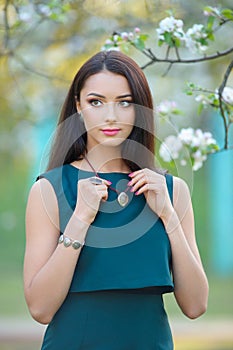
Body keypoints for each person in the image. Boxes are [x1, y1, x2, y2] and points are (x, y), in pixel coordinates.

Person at [24, 50, 209, 350]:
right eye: (96, 102)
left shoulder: (171, 191)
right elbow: (40, 309)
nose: (111, 116)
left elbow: (196, 305)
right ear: (78, 107)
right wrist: (80, 218)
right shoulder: (49, 190)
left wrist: (169, 216)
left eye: (124, 103)